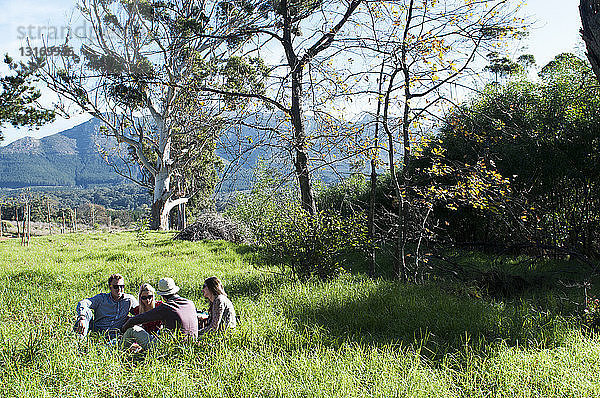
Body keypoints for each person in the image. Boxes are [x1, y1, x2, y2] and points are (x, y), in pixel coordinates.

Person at [121, 277, 198, 350]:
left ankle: (120, 350)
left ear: (162, 296)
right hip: (190, 344)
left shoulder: (166, 307)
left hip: (169, 346)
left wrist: (123, 328)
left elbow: (138, 319)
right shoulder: (190, 303)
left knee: (132, 330)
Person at [74, 273, 138, 339]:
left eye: (121, 286)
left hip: (116, 333)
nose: (119, 289)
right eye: (116, 287)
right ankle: (79, 341)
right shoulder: (102, 298)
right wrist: (82, 317)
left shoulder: (129, 299)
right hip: (97, 330)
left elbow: (140, 311)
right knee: (87, 313)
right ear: (110, 287)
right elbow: (84, 302)